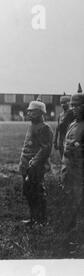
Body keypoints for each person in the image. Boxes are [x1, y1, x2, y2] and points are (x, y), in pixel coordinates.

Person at [19, 97, 53, 226]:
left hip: (36, 166)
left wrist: (34, 163)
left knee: (38, 192)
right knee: (29, 193)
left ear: (40, 113)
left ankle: (42, 220)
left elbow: (46, 149)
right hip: (27, 165)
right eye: (28, 111)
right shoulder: (32, 125)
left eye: (32, 111)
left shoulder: (44, 128)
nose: (28, 113)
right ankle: (33, 218)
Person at [61, 85, 84, 231]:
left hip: (80, 169)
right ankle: (71, 225)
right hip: (68, 168)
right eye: (72, 106)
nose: (74, 109)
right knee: (69, 196)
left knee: (79, 198)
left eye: (77, 106)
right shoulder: (73, 123)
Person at [54, 93, 74, 159]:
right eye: (62, 103)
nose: (63, 104)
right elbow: (57, 128)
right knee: (62, 157)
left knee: (69, 158)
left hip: (69, 138)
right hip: (61, 138)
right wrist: (55, 141)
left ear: (69, 103)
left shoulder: (72, 113)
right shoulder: (60, 115)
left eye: (65, 102)